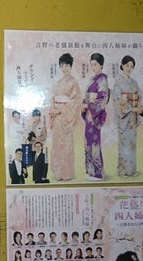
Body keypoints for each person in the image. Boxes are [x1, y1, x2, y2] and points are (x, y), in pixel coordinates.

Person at [49, 53, 82, 181]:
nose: (64, 68)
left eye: (67, 65)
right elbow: (53, 99)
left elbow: (75, 101)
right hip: (57, 118)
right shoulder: (58, 83)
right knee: (57, 144)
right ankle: (58, 172)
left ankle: (66, 173)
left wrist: (61, 110)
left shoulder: (73, 82)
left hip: (66, 118)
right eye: (62, 66)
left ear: (71, 66)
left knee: (66, 145)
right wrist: (53, 111)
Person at [113, 55, 143, 177]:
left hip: (132, 120)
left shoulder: (134, 83)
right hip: (124, 119)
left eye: (131, 66)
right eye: (127, 65)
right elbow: (117, 101)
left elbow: (139, 98)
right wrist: (132, 108)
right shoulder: (118, 83)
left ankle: (132, 170)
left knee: (132, 145)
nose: (129, 68)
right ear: (122, 65)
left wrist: (139, 108)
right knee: (124, 145)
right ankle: (123, 170)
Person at [81, 52, 108, 181]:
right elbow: (87, 97)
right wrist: (83, 105)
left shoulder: (102, 80)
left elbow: (103, 99)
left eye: (95, 64)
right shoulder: (93, 79)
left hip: (94, 116)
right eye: (91, 64)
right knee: (88, 142)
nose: (93, 67)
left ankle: (98, 173)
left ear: (101, 65)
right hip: (89, 116)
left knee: (94, 143)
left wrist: (89, 106)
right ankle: (90, 171)